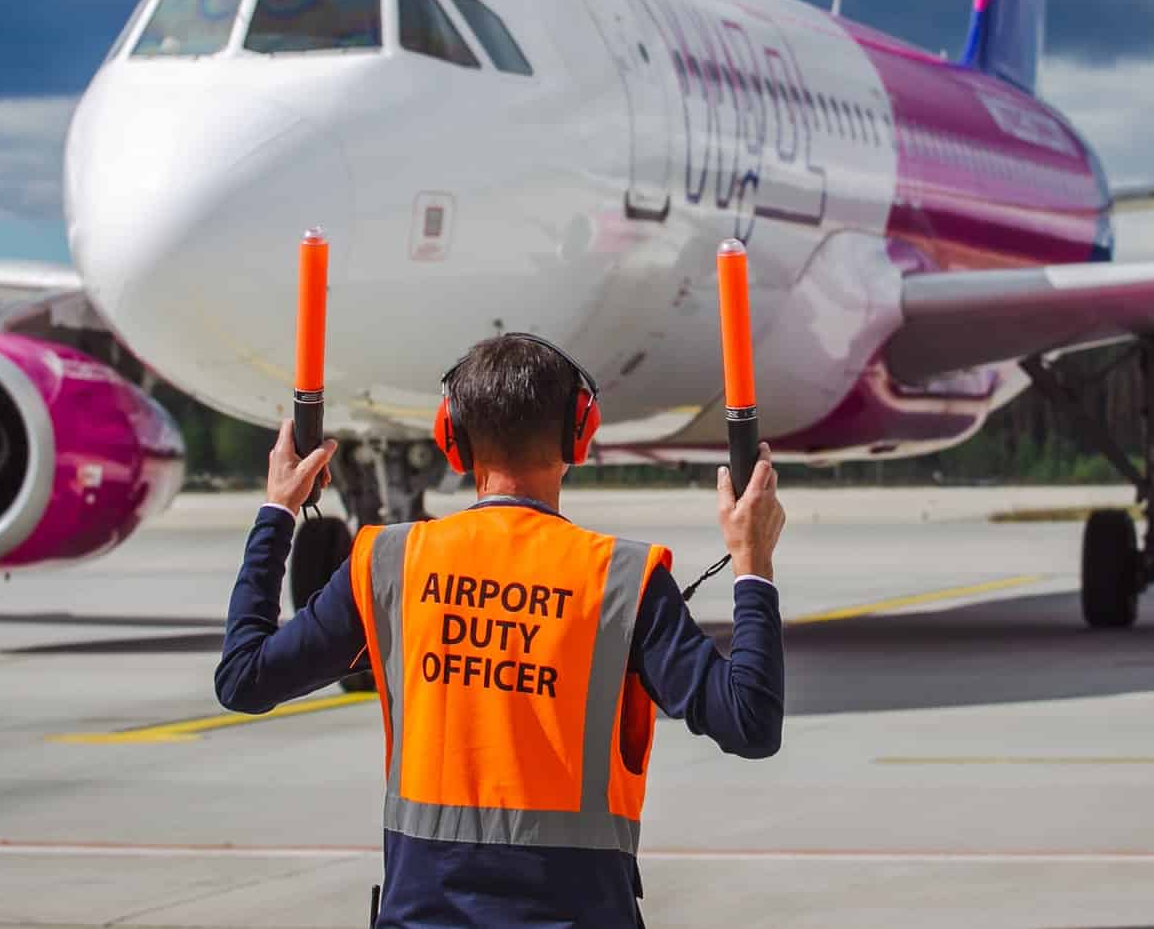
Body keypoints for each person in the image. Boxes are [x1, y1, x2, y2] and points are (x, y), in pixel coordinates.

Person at [215, 333, 787, 927]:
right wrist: (752, 563)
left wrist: (278, 510)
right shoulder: (621, 579)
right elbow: (749, 723)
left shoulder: (386, 562)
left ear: (451, 441)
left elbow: (243, 679)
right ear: (579, 436)